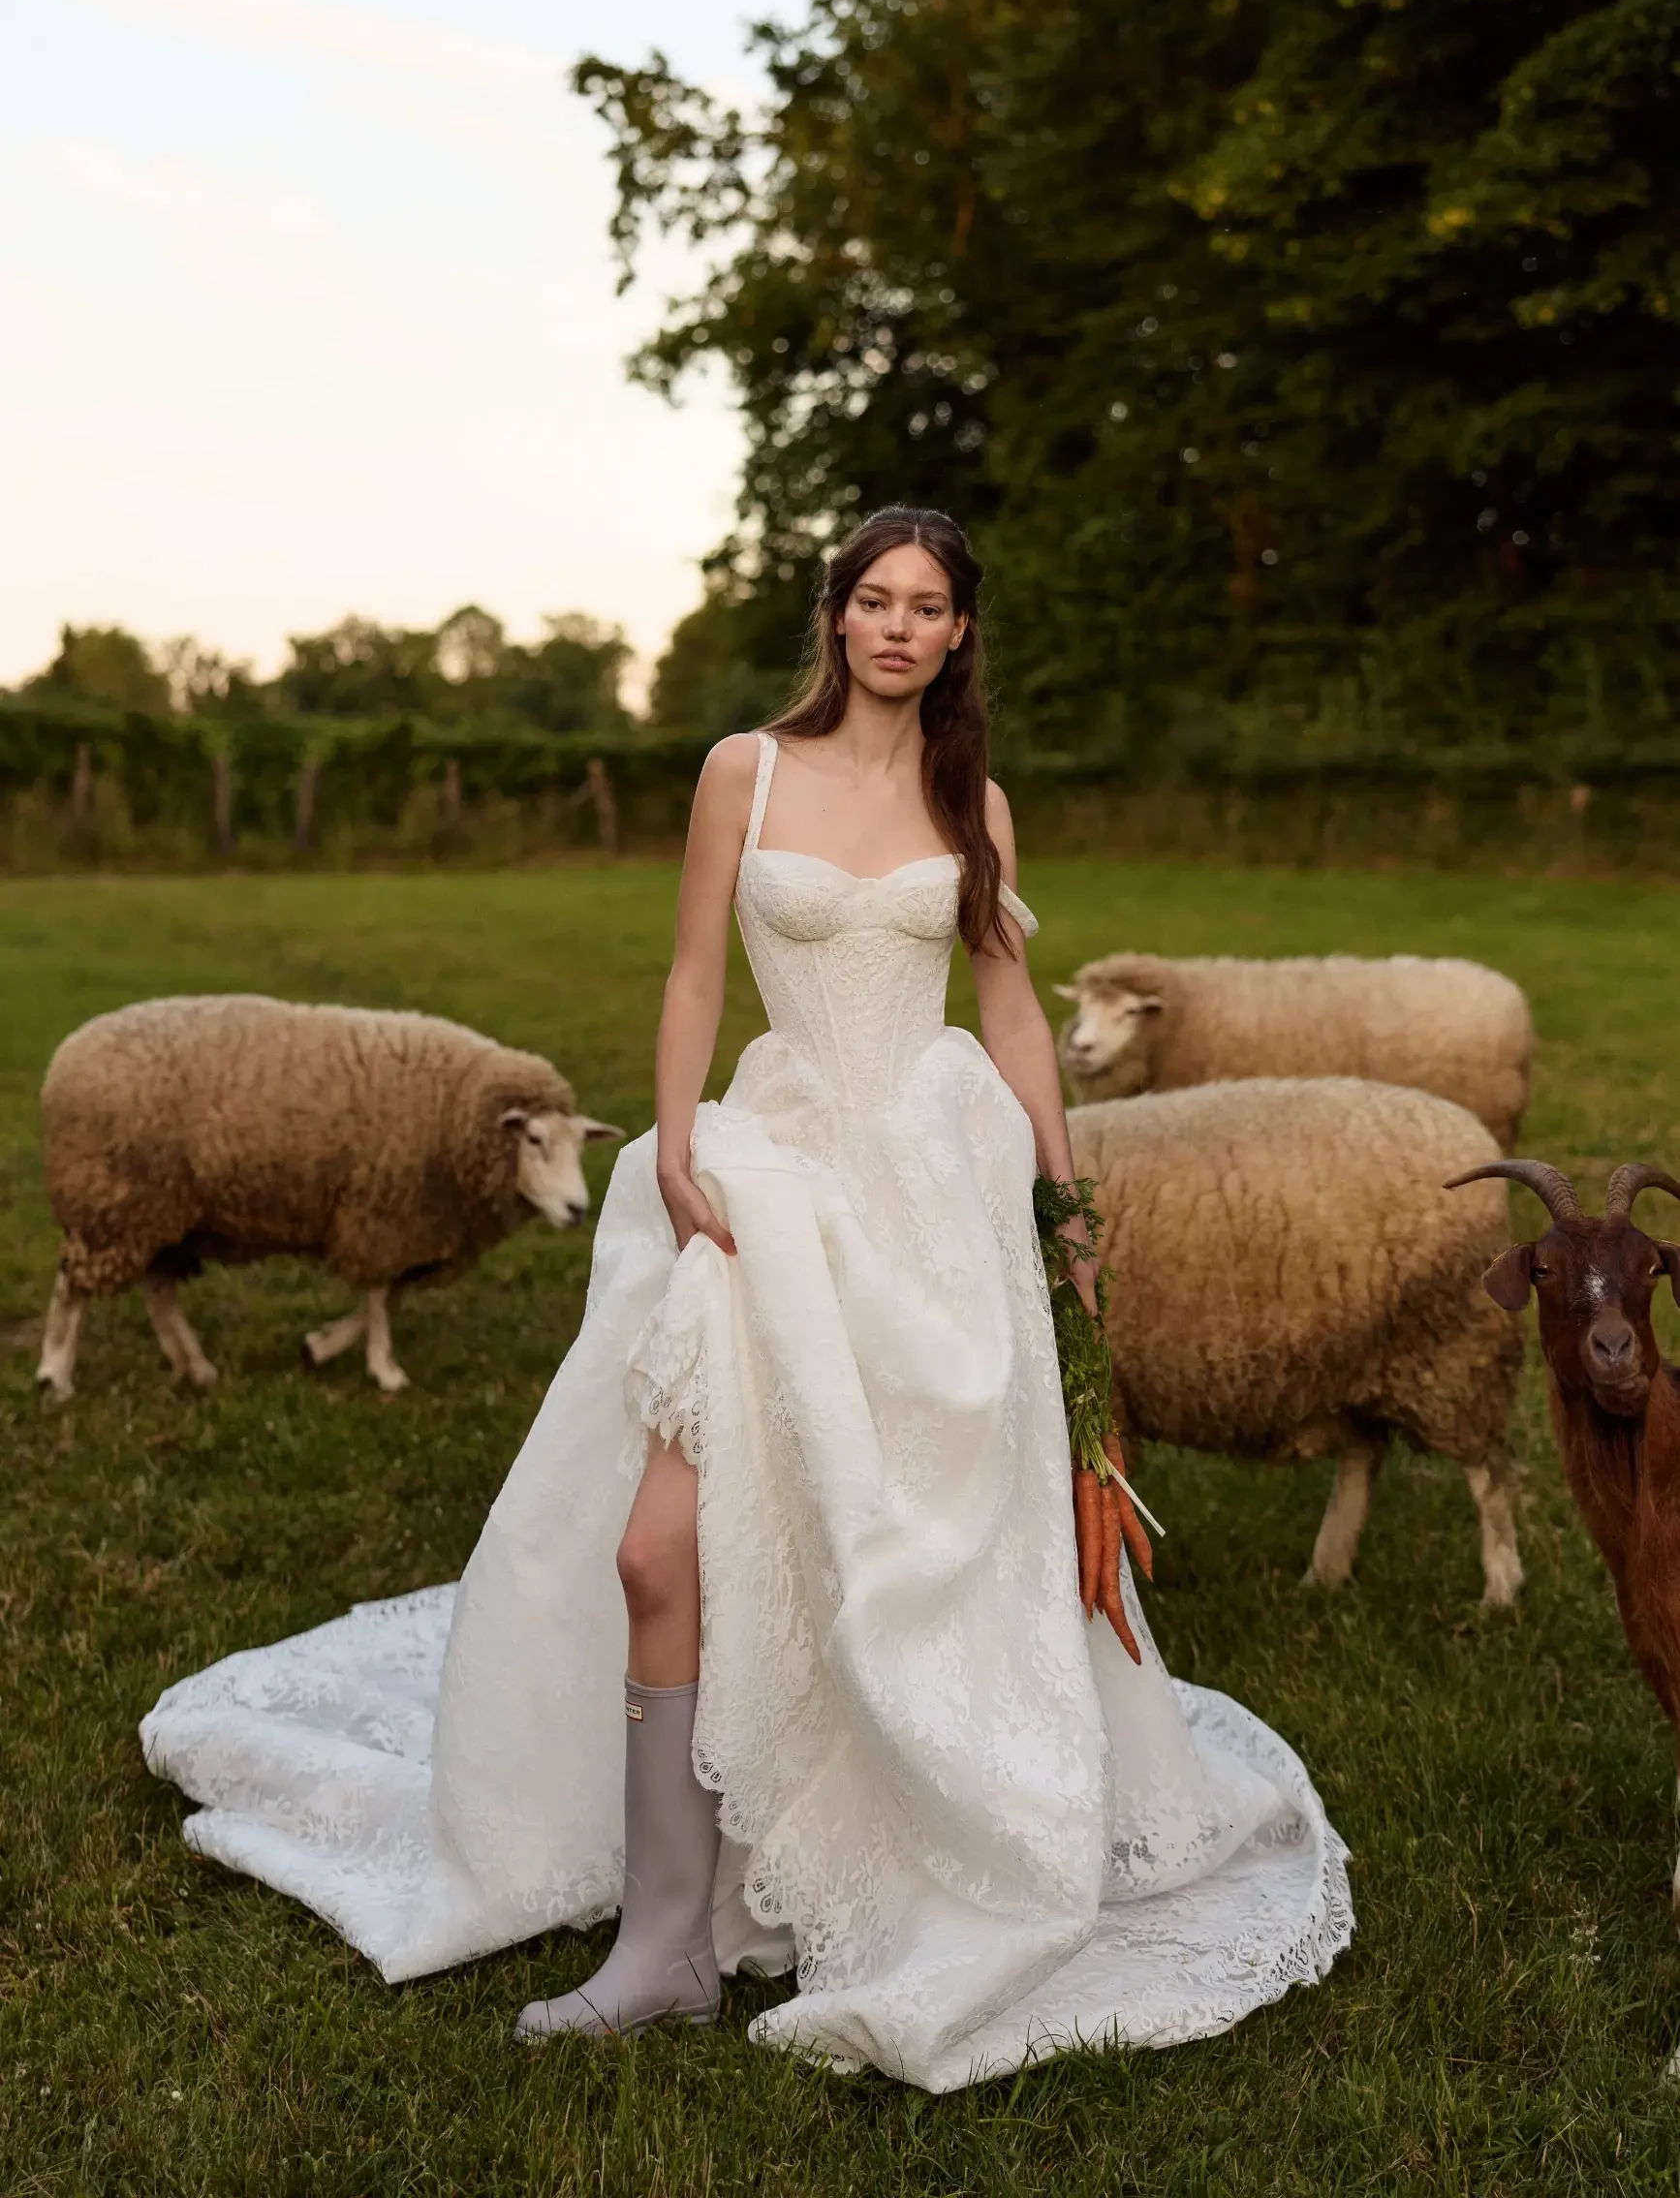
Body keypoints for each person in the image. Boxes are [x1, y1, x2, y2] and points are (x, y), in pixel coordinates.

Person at [142, 508, 1352, 2090]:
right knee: (658, 1552)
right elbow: (696, 975)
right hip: (765, 1175)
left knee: (879, 1542)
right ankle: (658, 1946)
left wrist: (1061, 1207)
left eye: (927, 607)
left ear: (958, 633)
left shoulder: (968, 802)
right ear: (835, 618)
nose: (897, 629)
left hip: (925, 1194)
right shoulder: (745, 769)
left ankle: (848, 1847)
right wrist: (683, 1148)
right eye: (872, 601)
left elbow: (1005, 1011)